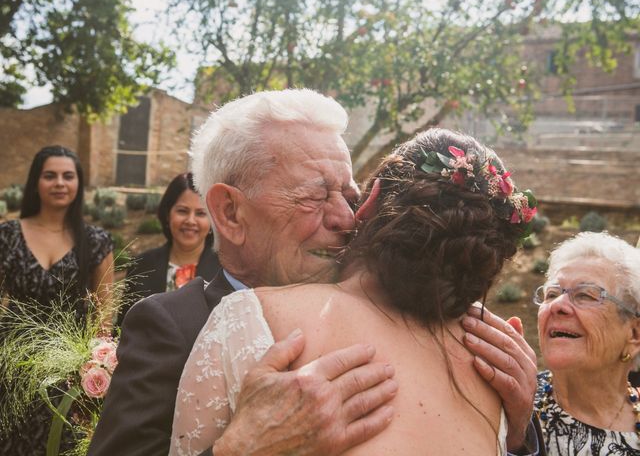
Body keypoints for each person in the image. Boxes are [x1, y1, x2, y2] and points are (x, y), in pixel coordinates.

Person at [89, 89, 539, 456]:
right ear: (229, 212)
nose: (347, 217)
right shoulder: (171, 324)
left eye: (350, 194)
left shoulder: (429, 318)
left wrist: (516, 431)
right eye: (315, 195)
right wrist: (246, 448)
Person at [0, 145, 114, 455]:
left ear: (78, 184)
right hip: (11, 365)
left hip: (67, 372)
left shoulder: (96, 241)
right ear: (36, 182)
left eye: (68, 176)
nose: (59, 183)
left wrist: (95, 367)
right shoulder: (7, 235)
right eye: (50, 176)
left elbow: (104, 315)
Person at [533, 232, 640, 455]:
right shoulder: (511, 406)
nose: (557, 305)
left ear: (634, 333)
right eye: (552, 294)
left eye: (585, 295)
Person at [119, 172, 220, 323]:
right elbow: (123, 329)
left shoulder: (225, 270)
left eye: (200, 213)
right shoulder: (142, 266)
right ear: (167, 214)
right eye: (182, 211)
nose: (190, 220)